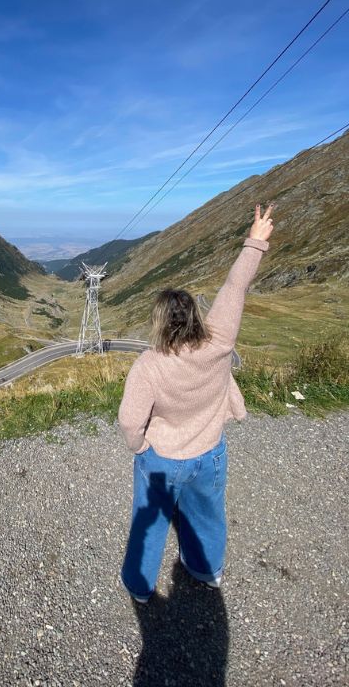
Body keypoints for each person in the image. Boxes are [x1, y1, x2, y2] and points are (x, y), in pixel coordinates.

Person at [118, 203, 274, 602]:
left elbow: (131, 422)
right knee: (207, 513)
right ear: (196, 317)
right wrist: (255, 242)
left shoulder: (148, 366)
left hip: (163, 458)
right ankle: (206, 570)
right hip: (211, 450)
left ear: (158, 323)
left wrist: (139, 447)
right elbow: (234, 288)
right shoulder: (220, 342)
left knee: (150, 522)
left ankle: (139, 586)